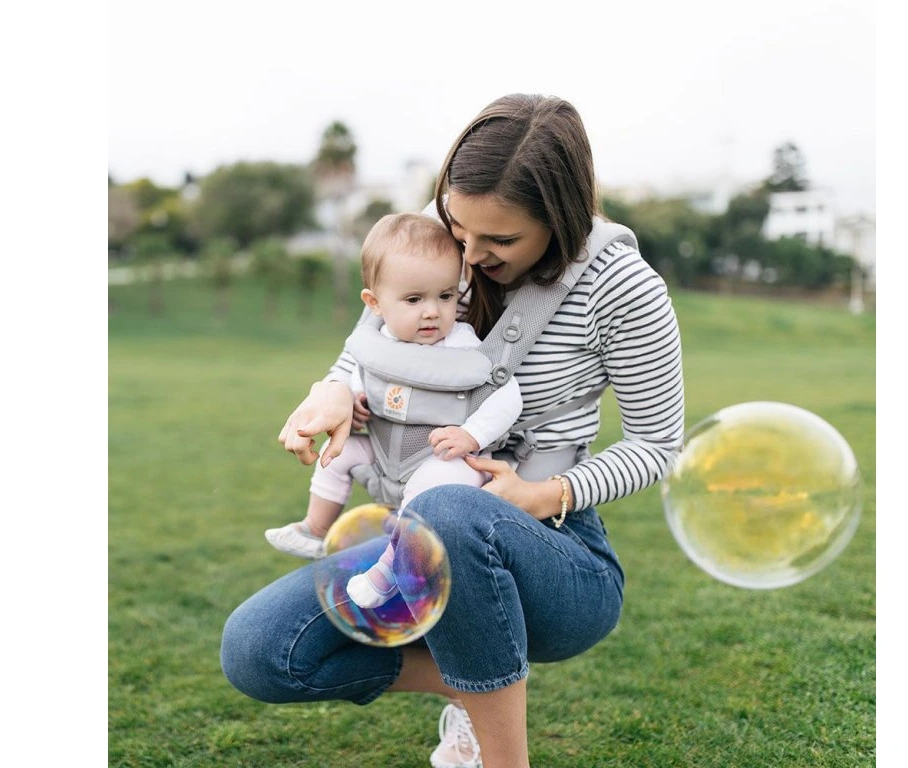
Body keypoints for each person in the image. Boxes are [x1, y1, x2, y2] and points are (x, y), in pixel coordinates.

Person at [221, 93, 685, 768]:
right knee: (260, 651)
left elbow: (656, 444)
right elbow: (370, 347)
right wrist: (332, 391)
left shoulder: (624, 288)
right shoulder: (439, 238)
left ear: (560, 218)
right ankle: (480, 681)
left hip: (558, 554)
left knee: (450, 509)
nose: (468, 255)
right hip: (414, 532)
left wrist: (543, 494)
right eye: (458, 227)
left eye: (499, 241)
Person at [264, 212, 523, 608]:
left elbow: (507, 396)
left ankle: (388, 570)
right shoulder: (377, 344)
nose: (432, 311)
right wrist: (353, 400)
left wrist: (472, 435)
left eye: (446, 296)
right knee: (337, 453)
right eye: (414, 300)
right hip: (384, 449)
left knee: (432, 490)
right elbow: (359, 377)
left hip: (441, 455)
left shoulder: (462, 345)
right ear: (375, 304)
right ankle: (315, 528)